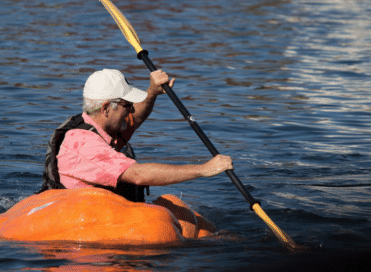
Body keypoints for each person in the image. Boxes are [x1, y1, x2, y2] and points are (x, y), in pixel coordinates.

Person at [41, 68, 233, 203]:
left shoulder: (98, 125)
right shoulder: (85, 143)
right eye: (127, 106)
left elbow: (135, 119)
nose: (131, 110)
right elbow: (138, 175)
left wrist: (152, 93)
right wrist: (204, 169)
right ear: (106, 108)